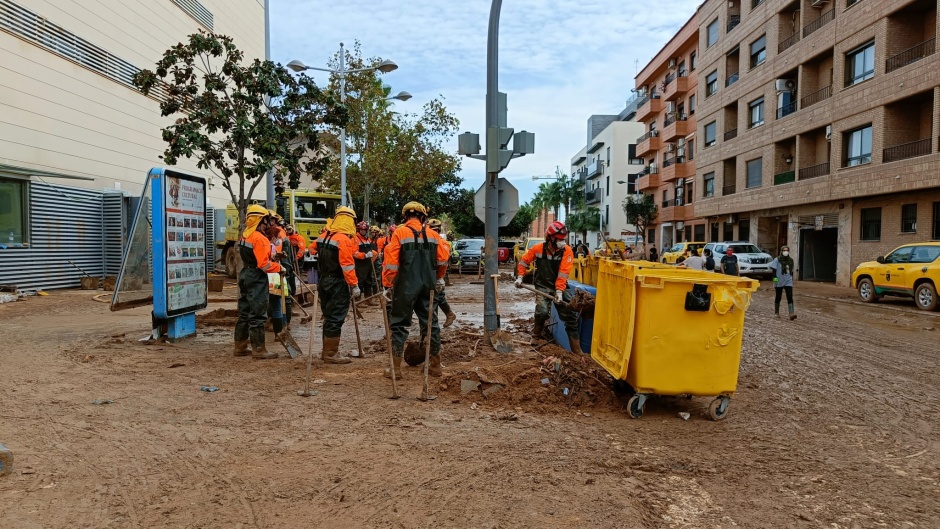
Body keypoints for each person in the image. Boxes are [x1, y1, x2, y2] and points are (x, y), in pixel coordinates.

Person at [382, 202, 449, 379]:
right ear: (423, 217)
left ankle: (395, 369)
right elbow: (443, 259)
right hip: (428, 285)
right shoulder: (434, 235)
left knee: (398, 325)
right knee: (430, 324)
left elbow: (391, 263)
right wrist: (439, 277)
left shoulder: (399, 233)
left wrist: (387, 285)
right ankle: (435, 365)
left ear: (405, 217)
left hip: (405, 286)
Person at [514, 221, 581, 353]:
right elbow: (523, 262)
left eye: (564, 239)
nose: (563, 242)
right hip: (542, 285)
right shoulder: (538, 249)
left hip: (560, 286)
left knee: (570, 316)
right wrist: (520, 277)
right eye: (559, 239)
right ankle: (536, 336)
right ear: (550, 237)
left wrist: (559, 292)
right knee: (542, 311)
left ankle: (577, 351)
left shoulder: (567, 251)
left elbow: (563, 274)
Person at [314, 206, 361, 364]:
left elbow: (311, 249)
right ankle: (331, 353)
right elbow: (347, 265)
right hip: (337, 282)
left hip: (323, 280)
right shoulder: (343, 240)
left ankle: (326, 350)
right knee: (336, 317)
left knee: (328, 316)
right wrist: (354, 285)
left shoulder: (324, 236)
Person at [233, 205, 280, 360]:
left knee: (244, 310)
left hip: (246, 273)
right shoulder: (260, 238)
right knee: (258, 312)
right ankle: (259, 349)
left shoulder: (245, 235)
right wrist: (279, 268)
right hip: (256, 277)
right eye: (267, 220)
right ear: (261, 220)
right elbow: (263, 264)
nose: (269, 224)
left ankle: (240, 346)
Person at [427, 218, 457, 328]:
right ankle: (449, 314)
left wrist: (439, 276)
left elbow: (442, 262)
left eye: (435, 230)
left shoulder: (443, 244)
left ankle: (433, 326)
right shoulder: (428, 242)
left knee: (435, 299)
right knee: (438, 297)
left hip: (437, 275)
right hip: (431, 275)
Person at [353, 221, 378, 304]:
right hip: (360, 265)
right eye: (362, 230)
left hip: (368, 264)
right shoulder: (356, 239)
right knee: (360, 282)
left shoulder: (367, 239)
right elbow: (355, 253)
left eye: (365, 230)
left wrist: (373, 254)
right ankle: (358, 301)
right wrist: (364, 255)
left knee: (368, 281)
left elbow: (370, 250)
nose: (363, 231)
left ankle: (368, 299)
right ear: (359, 229)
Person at [770, 245, 797, 320]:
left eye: (787, 250)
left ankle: (791, 313)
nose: (786, 252)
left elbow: (791, 271)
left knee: (790, 296)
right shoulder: (777, 260)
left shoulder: (791, 260)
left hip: (788, 280)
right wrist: (775, 279)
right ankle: (776, 313)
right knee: (778, 296)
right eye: (784, 250)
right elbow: (774, 271)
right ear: (781, 251)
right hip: (779, 280)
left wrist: (791, 279)